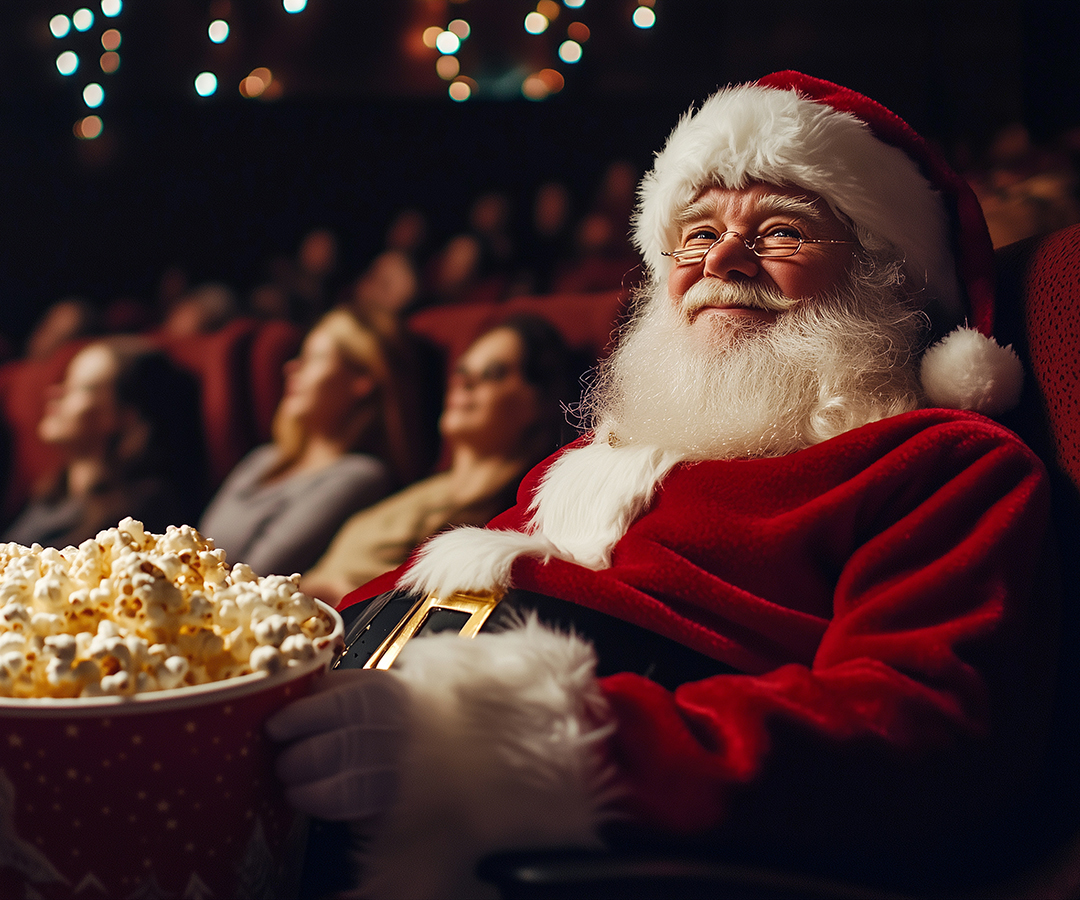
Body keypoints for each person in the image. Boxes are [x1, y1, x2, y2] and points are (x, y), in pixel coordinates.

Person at [267, 72, 1061, 900]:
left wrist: (512, 747)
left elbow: (918, 733)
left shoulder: (944, 463)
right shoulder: (601, 459)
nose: (722, 257)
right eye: (694, 234)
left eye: (782, 230)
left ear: (888, 275)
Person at [300, 314, 577, 606]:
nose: (463, 381)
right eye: (461, 369)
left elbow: (426, 604)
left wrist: (333, 592)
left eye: (492, 372)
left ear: (538, 402)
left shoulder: (508, 521)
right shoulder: (424, 488)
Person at [197, 307, 418, 577]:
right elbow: (194, 544)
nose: (292, 367)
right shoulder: (264, 458)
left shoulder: (360, 475)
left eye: (314, 358)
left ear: (362, 380)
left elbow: (258, 573)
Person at [2, 337, 206, 548]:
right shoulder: (51, 493)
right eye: (65, 381)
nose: (56, 393)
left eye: (81, 388)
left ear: (125, 415)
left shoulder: (138, 516)